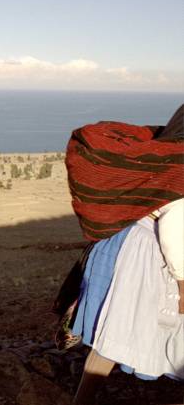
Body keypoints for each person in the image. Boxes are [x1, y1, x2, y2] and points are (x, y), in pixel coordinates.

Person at [61, 106, 184, 404]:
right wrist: (182, 288)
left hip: (124, 247)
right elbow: (175, 232)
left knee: (112, 332)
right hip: (150, 260)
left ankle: (83, 399)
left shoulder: (166, 155)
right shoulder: (180, 170)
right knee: (119, 331)